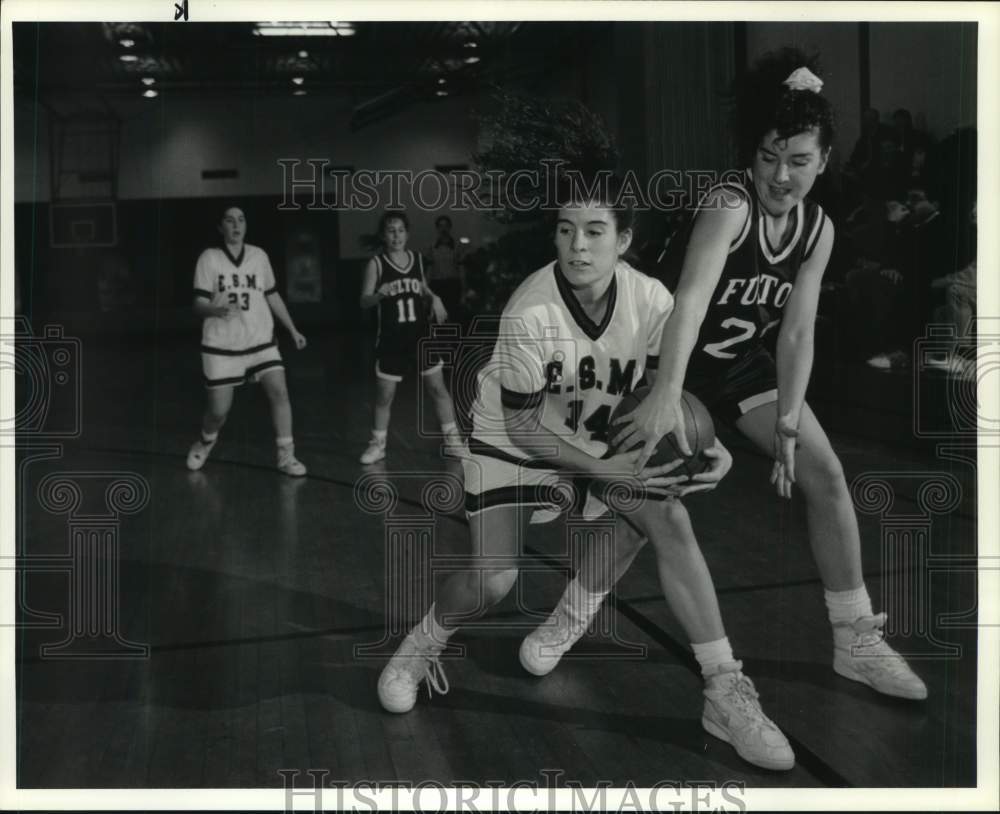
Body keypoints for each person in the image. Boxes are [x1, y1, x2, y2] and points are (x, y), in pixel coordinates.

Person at [377, 182, 797, 772]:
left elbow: (662, 390)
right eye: (566, 229)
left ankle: (722, 686)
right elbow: (523, 426)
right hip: (512, 442)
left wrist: (711, 442)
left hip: (597, 436)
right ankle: (423, 644)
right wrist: (603, 469)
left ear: (624, 239)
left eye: (595, 231)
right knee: (493, 581)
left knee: (663, 516)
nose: (577, 246)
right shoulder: (531, 310)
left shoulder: (651, 301)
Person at [613, 49, 927, 701]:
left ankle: (855, 640)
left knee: (827, 473)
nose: (780, 175)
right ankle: (569, 617)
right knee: (644, 508)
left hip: (738, 366)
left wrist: (788, 420)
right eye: (767, 156)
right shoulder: (729, 204)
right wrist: (667, 392)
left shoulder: (819, 229)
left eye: (799, 160)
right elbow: (691, 303)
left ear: (826, 158)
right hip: (663, 358)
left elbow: (798, 331)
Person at [186, 205, 308, 476]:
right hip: (222, 345)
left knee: (279, 390)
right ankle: (206, 441)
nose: (236, 225)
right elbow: (197, 304)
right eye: (229, 220)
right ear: (221, 227)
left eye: (241, 219)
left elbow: (272, 295)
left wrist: (292, 329)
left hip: (260, 340)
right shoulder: (210, 258)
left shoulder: (259, 256)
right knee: (219, 411)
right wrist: (216, 310)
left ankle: (286, 456)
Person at [358, 210, 464, 464]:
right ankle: (378, 444)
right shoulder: (377, 264)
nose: (396, 235)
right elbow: (364, 301)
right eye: (391, 230)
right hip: (392, 339)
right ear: (384, 235)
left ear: (407, 233)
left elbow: (423, 288)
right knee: (385, 395)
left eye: (400, 230)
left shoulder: (417, 259)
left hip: (420, 336)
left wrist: (435, 298)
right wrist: (379, 294)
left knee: (438, 388)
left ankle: (453, 441)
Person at [427, 214, 466, 319]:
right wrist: (427, 288)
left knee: (453, 314)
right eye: (440, 226)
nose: (443, 229)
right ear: (437, 228)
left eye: (446, 226)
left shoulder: (457, 246)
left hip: (452, 284)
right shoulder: (432, 246)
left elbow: (461, 269)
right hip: (437, 284)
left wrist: (463, 291)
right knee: (437, 315)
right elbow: (429, 269)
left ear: (449, 227)